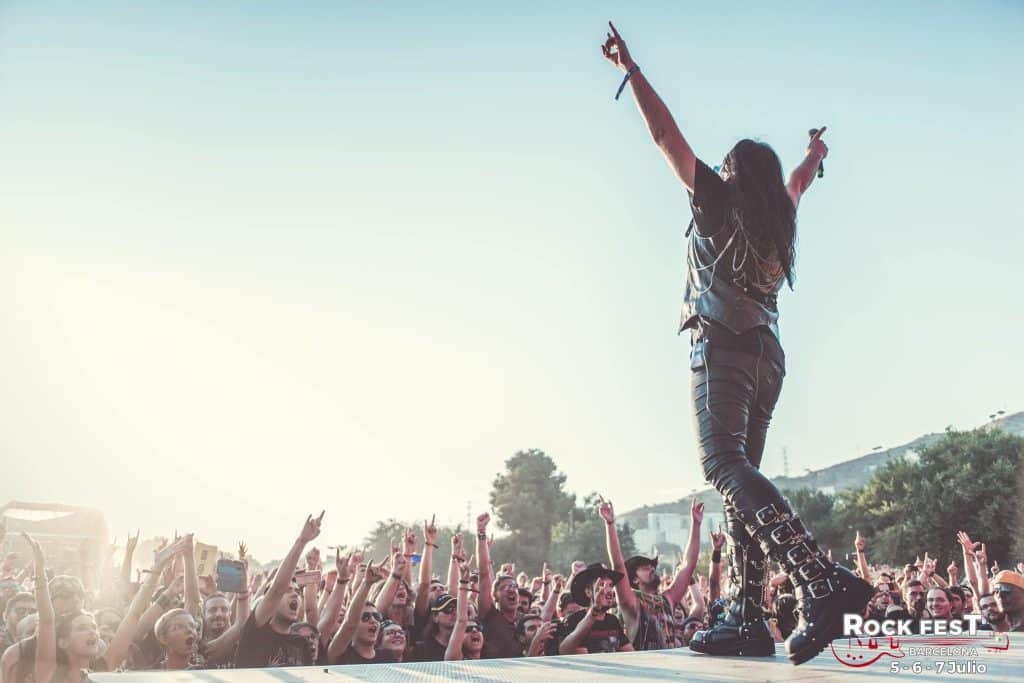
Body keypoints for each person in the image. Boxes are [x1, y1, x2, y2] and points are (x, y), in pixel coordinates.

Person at [601, 21, 871, 665]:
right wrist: (815, 154)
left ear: (731, 173)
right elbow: (800, 181)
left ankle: (818, 579)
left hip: (722, 345)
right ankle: (747, 617)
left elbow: (665, 136)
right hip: (768, 354)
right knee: (738, 480)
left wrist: (631, 72)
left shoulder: (718, 202)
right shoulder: (780, 210)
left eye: (724, 166)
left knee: (723, 467)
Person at [235, 513, 324, 668]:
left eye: (297, 590)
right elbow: (277, 589)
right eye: (288, 590)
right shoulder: (256, 631)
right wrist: (302, 541)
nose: (295, 593)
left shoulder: (301, 643)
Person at [559, 564, 633, 655]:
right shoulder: (574, 620)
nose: (609, 590)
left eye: (610, 585)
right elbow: (567, 651)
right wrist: (594, 611)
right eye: (602, 585)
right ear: (588, 592)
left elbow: (630, 654)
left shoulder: (612, 621)